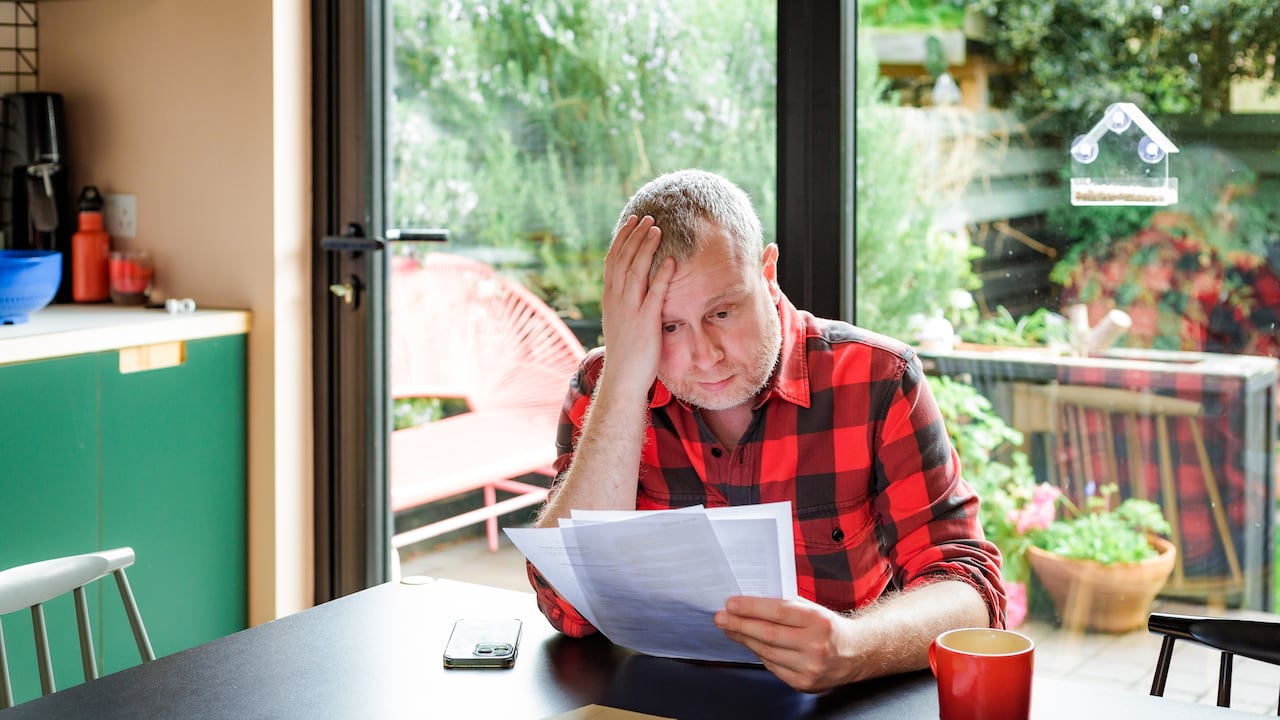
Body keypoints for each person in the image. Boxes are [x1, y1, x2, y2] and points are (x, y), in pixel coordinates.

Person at [528, 169, 1005, 693]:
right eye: (668, 326)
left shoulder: (877, 380)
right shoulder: (604, 387)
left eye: (723, 312)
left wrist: (852, 646)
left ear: (768, 271)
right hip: (658, 697)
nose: (704, 355)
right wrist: (623, 378)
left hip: (840, 701)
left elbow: (970, 593)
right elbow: (565, 607)